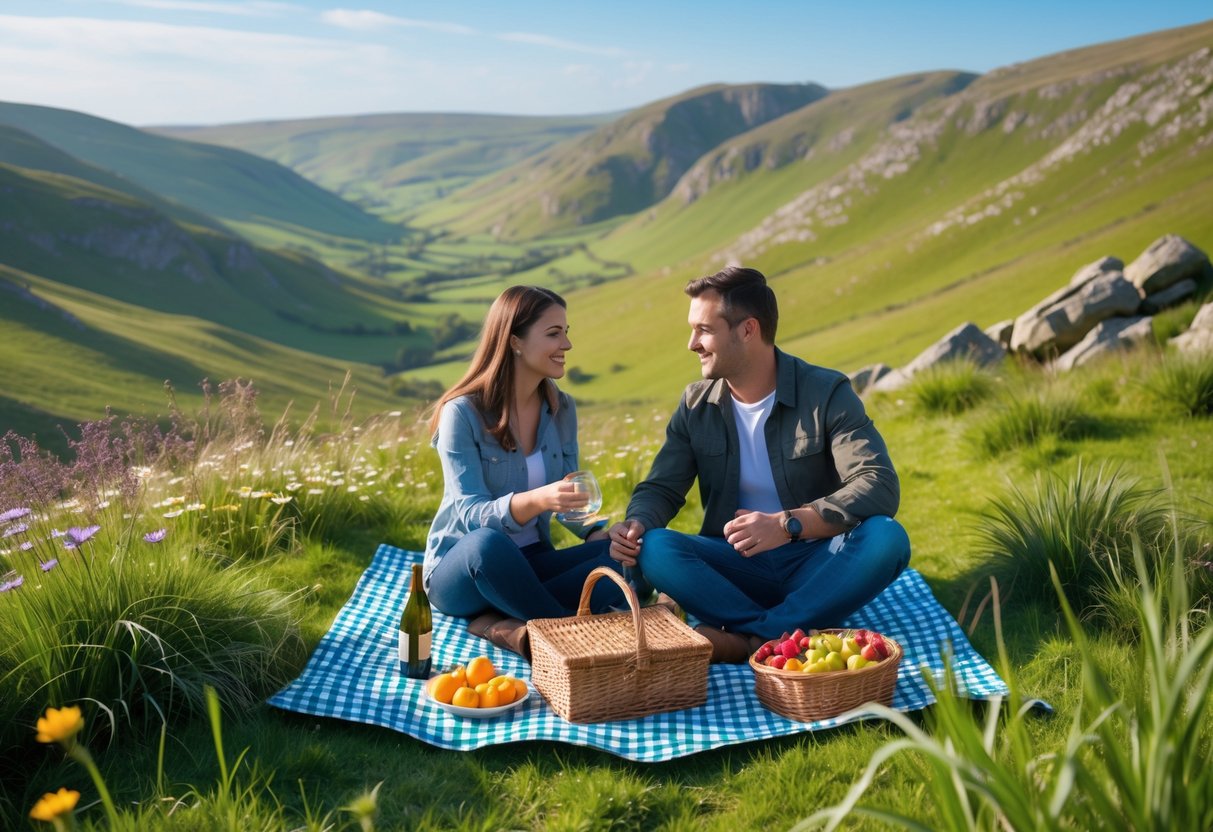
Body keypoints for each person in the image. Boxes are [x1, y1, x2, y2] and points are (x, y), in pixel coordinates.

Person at [607, 266, 910, 663]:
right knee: (657, 546)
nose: (692, 344)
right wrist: (637, 523)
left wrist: (787, 525)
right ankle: (780, 631)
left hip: (817, 560)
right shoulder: (695, 404)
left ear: (748, 330)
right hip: (734, 566)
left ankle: (752, 639)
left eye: (704, 330)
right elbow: (661, 487)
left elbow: (878, 483)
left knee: (887, 538)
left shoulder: (826, 392)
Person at [423, 285, 622, 658]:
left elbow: (570, 496)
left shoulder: (561, 408)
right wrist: (536, 499)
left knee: (622, 559)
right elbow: (470, 516)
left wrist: (598, 533)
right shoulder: (461, 414)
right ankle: (569, 638)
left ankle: (503, 623)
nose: (567, 344)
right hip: (465, 568)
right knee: (488, 544)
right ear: (515, 341)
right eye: (553, 333)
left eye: (566, 331)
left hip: (531, 563)